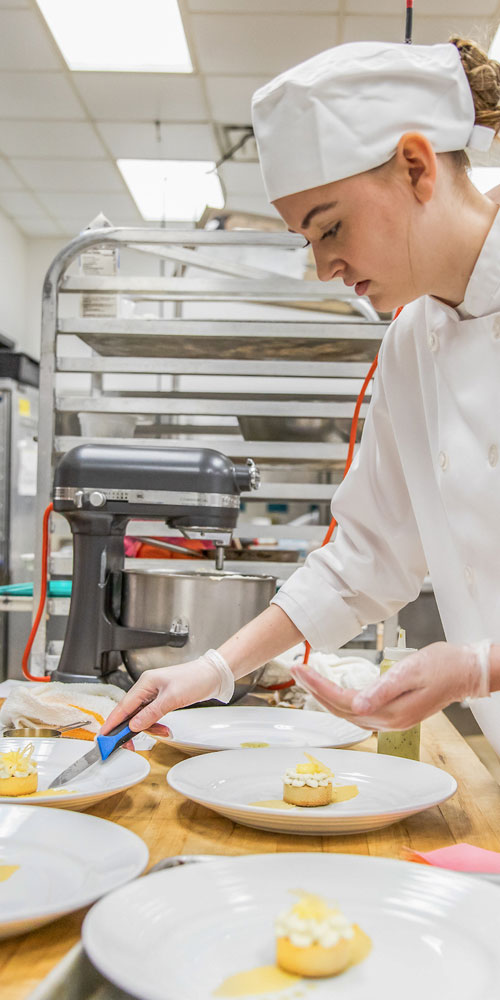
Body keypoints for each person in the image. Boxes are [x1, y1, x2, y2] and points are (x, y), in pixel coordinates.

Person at [103, 36, 500, 752]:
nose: (322, 268)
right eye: (306, 241)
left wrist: (482, 666)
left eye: (331, 228)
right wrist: (213, 668)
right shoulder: (411, 344)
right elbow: (366, 556)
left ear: (416, 166)